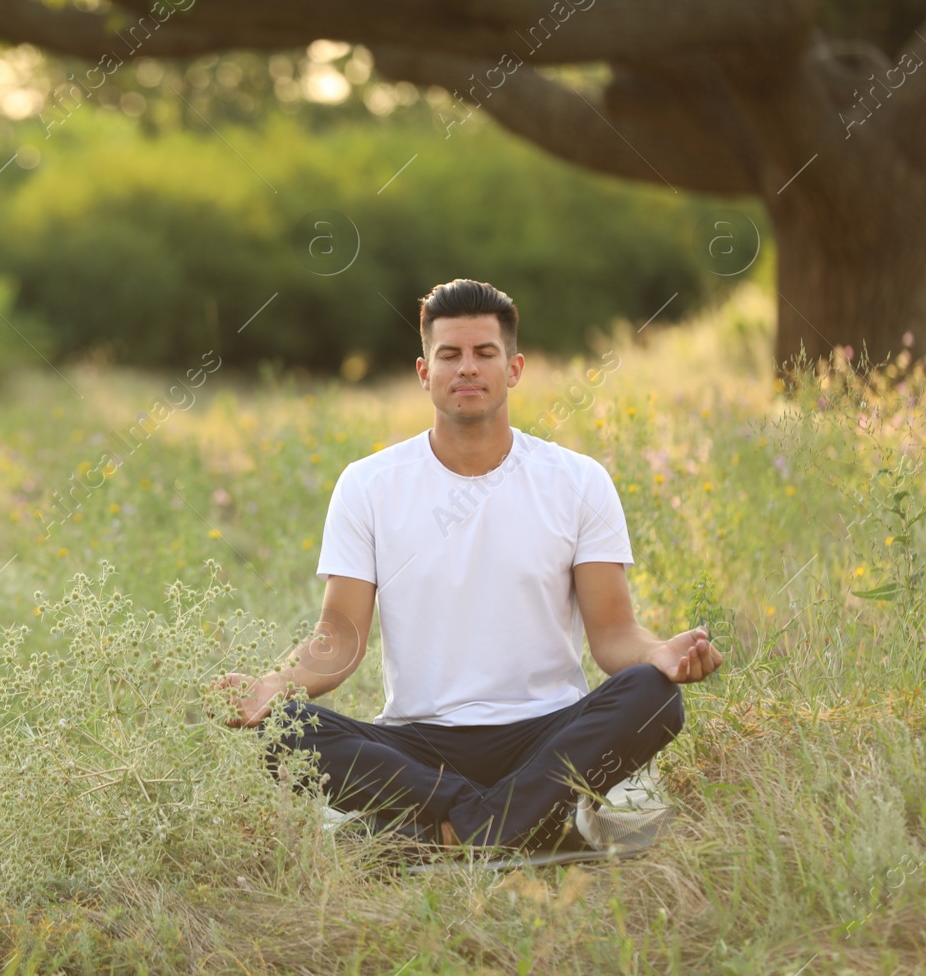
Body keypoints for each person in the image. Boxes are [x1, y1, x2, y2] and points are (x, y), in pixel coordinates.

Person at [211, 278, 722, 852]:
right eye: (449, 355)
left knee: (653, 696)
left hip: (546, 735)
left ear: (515, 369)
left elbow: (613, 634)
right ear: (425, 371)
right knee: (283, 729)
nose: (467, 369)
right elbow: (341, 638)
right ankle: (523, 820)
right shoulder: (368, 485)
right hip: (419, 745)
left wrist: (657, 654)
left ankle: (441, 827)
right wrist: (275, 684)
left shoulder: (577, 481)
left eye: (485, 353)